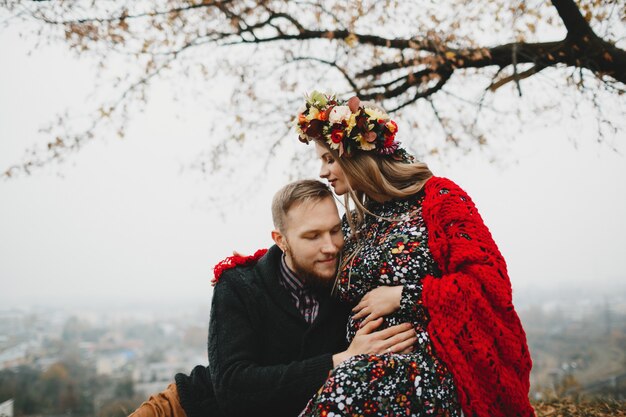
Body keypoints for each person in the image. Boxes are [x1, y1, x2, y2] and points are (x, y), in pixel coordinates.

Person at [295, 91, 534, 417]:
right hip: (363, 363)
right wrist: (249, 267)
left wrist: (405, 296)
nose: (322, 173)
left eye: (328, 159)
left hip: (431, 368)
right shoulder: (355, 222)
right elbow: (310, 251)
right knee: (345, 381)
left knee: (349, 383)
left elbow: (488, 284)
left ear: (355, 156)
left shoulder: (438, 201)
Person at [129, 179, 417, 417]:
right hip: (188, 409)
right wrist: (341, 360)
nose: (330, 246)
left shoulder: (352, 283)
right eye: (312, 236)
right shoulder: (239, 285)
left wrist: (401, 295)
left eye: (334, 230)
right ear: (281, 240)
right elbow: (233, 389)